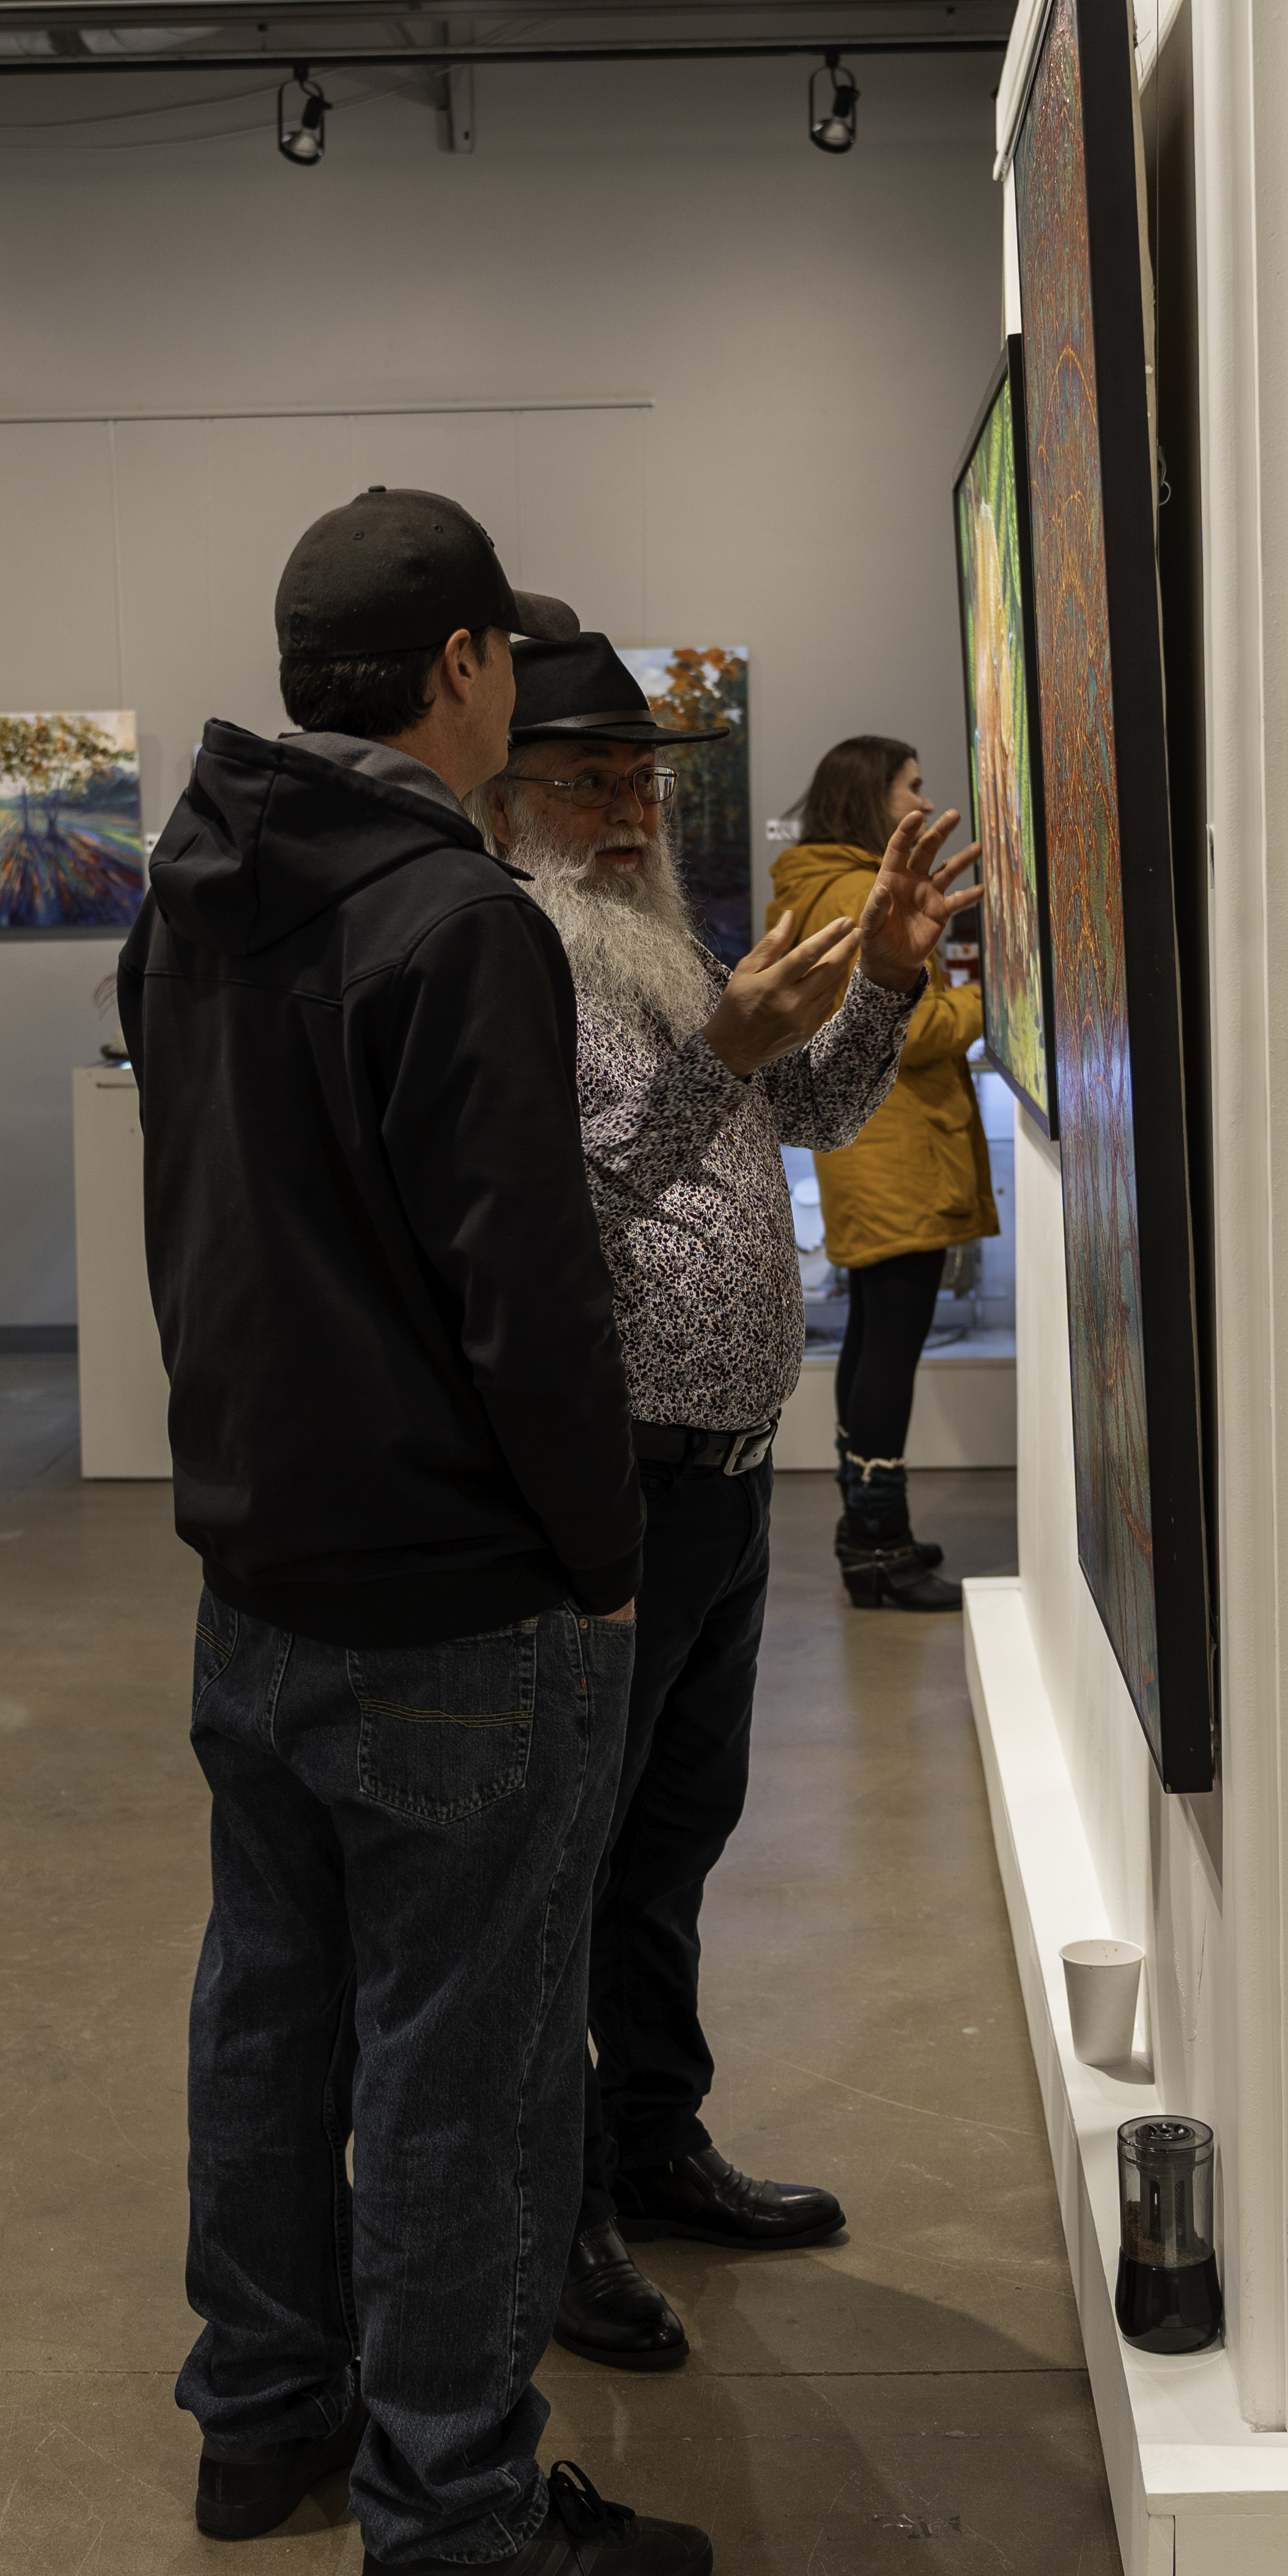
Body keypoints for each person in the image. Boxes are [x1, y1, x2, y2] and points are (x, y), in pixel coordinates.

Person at [117, 488, 712, 2576]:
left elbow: (200, 1234)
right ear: (464, 668)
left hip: (260, 1566)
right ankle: (451, 2506)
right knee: (462, 2044)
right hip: (458, 1586)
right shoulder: (455, 922)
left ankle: (263, 2408)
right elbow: (526, 1299)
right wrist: (603, 1552)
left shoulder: (193, 888)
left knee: (270, 2005)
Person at [476, 631, 977, 2375]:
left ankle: (653, 2138)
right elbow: (545, 1206)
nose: (628, 808)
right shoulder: (511, 955)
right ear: (507, 794)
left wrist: (891, 986)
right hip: (612, 1473)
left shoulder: (661, 931)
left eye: (645, 778)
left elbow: (806, 1107)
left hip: (728, 1469)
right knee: (574, 1860)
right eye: (588, 780)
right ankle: (557, 2214)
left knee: (673, 1841)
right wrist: (721, 1051)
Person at [769, 735, 997, 1609]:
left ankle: (868, 1533)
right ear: (870, 796)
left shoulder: (818, 885)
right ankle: (879, 1547)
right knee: (888, 1348)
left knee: (875, 1338)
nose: (921, 799)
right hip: (896, 1149)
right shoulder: (861, 891)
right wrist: (999, 1000)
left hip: (874, 1150)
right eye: (911, 785)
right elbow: (909, 1027)